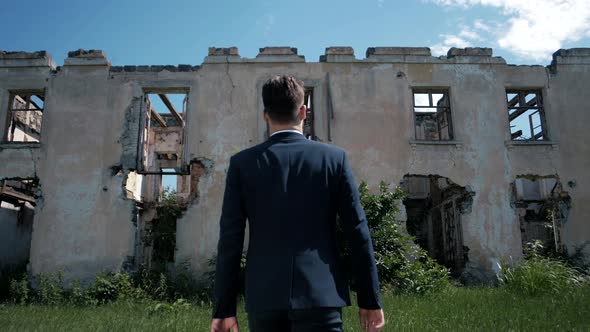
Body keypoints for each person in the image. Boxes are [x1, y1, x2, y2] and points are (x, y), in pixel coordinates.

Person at [210, 75, 385, 332]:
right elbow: (357, 233)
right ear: (304, 111)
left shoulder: (242, 164)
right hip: (321, 296)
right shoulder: (334, 159)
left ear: (265, 115)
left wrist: (224, 308)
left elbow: (230, 241)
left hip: (264, 299)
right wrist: (370, 299)